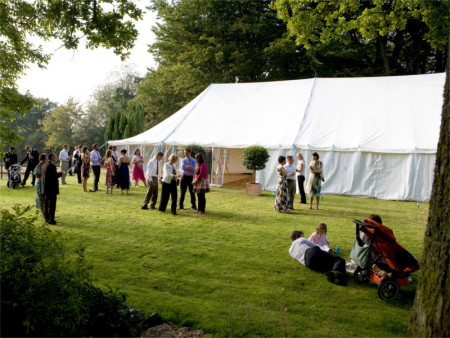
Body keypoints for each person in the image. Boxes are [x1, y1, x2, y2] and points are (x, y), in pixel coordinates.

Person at [40, 153, 62, 225]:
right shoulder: (51, 166)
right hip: (51, 188)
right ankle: (51, 219)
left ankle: (47, 217)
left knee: (46, 204)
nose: (56, 158)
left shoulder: (44, 165)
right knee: (52, 204)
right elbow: (53, 176)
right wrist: (60, 174)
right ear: (52, 158)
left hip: (45, 188)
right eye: (55, 157)